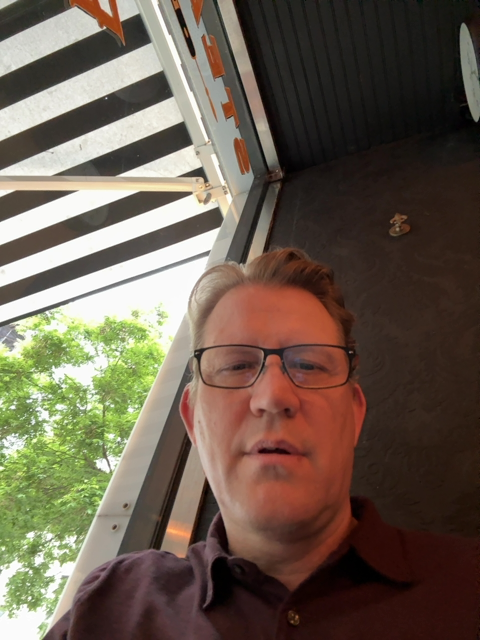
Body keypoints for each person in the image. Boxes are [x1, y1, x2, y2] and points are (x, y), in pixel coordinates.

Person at [45, 248, 477, 639]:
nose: (273, 397)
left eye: (309, 364)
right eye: (236, 366)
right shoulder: (108, 607)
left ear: (355, 414)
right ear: (194, 420)